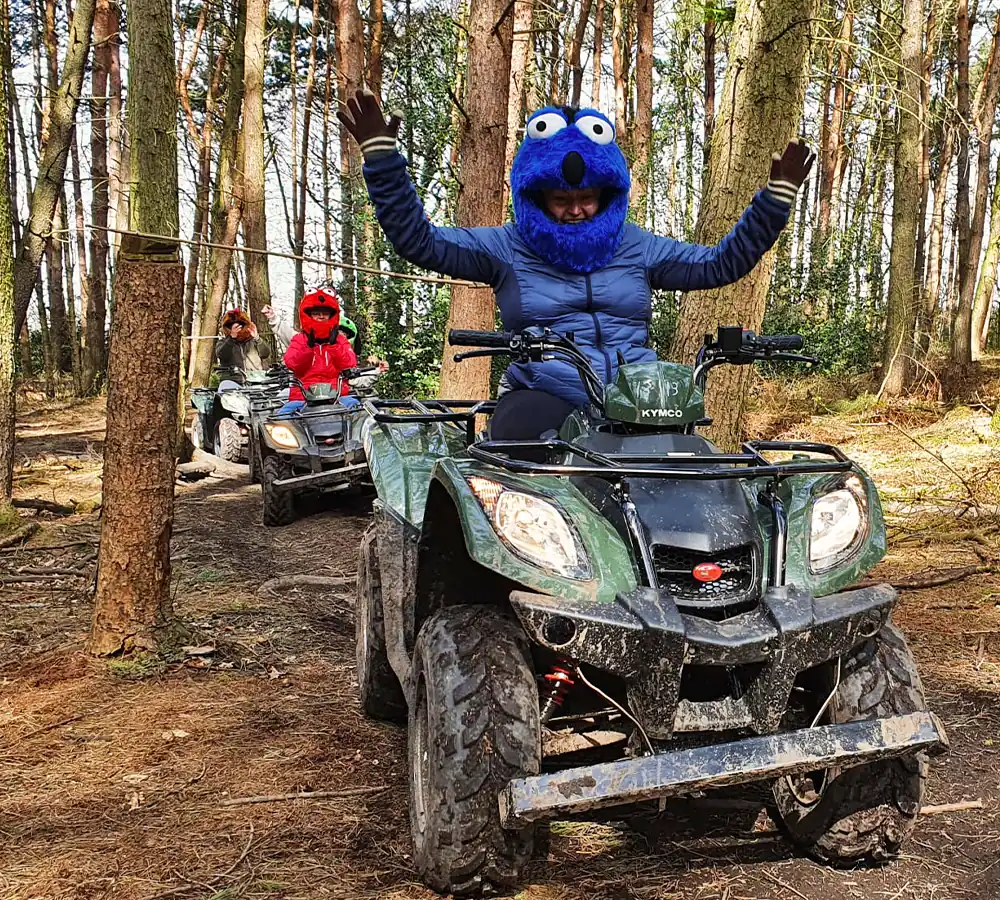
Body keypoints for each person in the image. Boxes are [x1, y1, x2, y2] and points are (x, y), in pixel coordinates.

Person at [338, 91, 814, 440]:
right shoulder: (507, 247)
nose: (575, 209)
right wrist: (382, 159)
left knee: (703, 481)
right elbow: (420, 242)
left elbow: (720, 264)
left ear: (606, 194)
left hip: (640, 401)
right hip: (543, 397)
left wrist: (775, 200)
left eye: (586, 197)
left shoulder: (637, 247)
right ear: (537, 195)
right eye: (561, 198)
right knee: (509, 482)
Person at [278, 287, 358, 414]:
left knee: (361, 414)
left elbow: (350, 363)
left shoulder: (340, 340)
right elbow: (293, 364)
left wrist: (334, 346)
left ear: (331, 315)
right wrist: (308, 348)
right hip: (302, 397)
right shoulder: (299, 339)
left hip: (337, 396)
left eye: (325, 313)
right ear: (309, 314)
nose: (321, 316)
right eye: (316, 313)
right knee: (281, 420)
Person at [215, 308, 271, 388]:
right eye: (233, 326)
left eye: (240, 325)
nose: (238, 329)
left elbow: (266, 353)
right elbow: (221, 354)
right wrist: (232, 338)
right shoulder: (224, 342)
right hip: (232, 381)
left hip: (256, 380)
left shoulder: (253, 341)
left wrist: (257, 338)